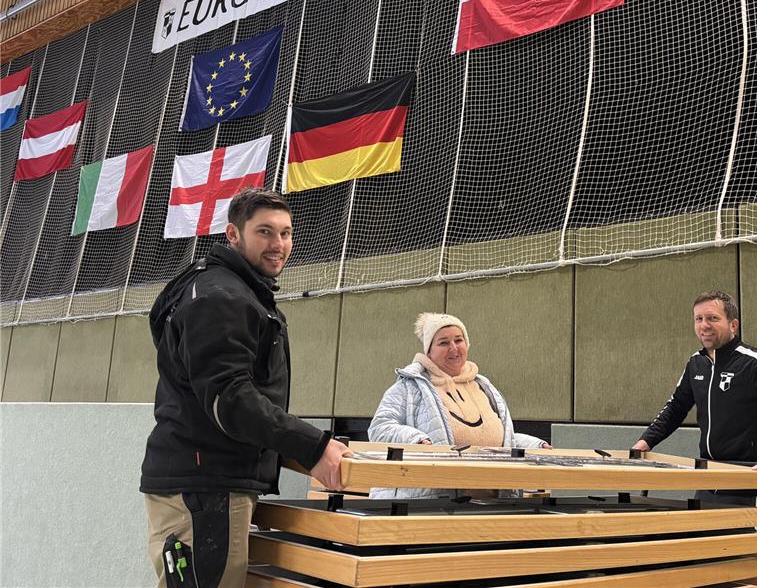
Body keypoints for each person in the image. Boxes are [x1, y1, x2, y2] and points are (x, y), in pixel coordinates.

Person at [140, 188, 351, 587]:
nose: (279, 245)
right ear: (233, 235)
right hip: (205, 489)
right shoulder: (221, 297)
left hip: (208, 484)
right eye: (265, 232)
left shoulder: (227, 290)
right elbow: (230, 397)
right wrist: (313, 446)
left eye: (286, 233)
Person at [632, 290, 757, 520]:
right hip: (708, 479)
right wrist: (644, 442)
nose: (704, 325)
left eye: (712, 318)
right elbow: (675, 408)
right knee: (701, 553)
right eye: (698, 319)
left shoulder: (754, 363)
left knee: (741, 555)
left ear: (733, 325)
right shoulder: (696, 364)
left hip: (748, 482)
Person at [368, 312, 550, 499]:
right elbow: (379, 428)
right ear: (429, 351)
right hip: (428, 504)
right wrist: (416, 440)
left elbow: (503, 440)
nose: (453, 348)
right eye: (444, 343)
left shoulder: (484, 386)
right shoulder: (409, 386)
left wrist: (536, 446)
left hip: (492, 503)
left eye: (458, 340)